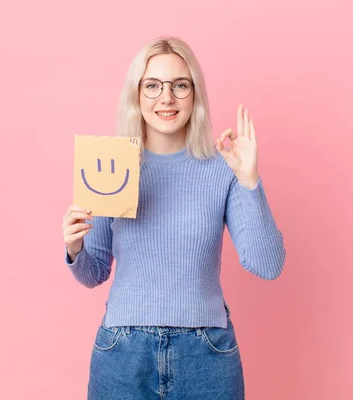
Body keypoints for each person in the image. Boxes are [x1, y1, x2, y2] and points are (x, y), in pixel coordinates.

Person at [63, 36, 286, 400]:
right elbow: (94, 272)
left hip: (207, 355)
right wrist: (74, 248)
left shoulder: (222, 168)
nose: (166, 98)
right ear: (136, 95)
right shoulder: (111, 166)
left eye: (179, 85)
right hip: (122, 354)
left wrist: (249, 181)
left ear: (195, 94)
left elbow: (268, 264)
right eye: (152, 86)